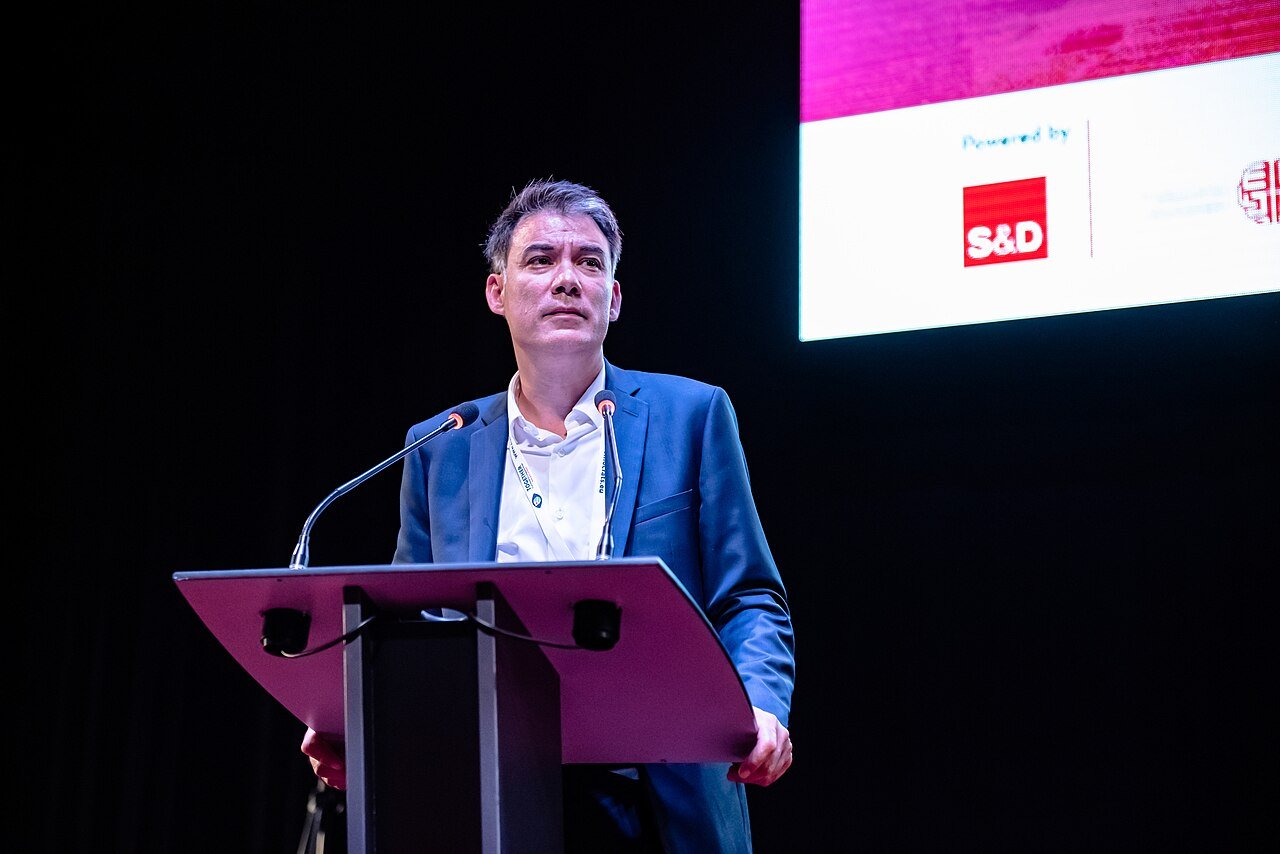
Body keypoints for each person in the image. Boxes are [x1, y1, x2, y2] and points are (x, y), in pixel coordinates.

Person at [301, 178, 795, 852]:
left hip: (660, 793)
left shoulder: (693, 416)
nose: (567, 279)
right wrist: (352, 719)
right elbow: (404, 626)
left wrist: (760, 706)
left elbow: (750, 595)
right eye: (540, 260)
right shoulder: (440, 447)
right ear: (496, 292)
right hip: (486, 788)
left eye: (589, 262)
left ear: (612, 298)